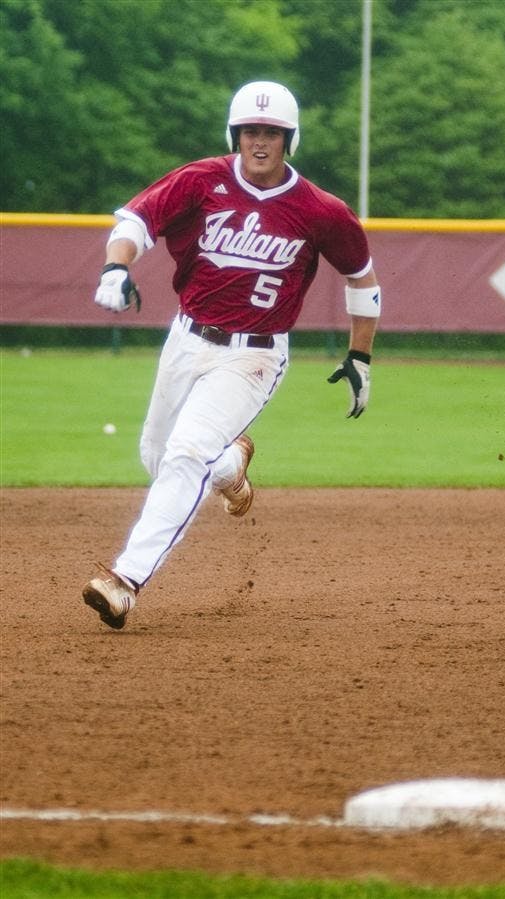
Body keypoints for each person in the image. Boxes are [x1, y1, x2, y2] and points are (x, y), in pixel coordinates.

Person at [82, 80, 381, 630]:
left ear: (290, 139)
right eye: (249, 131)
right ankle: (231, 466)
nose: (259, 141)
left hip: (254, 355)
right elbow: (135, 223)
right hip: (187, 338)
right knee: (158, 458)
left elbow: (362, 280)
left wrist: (359, 357)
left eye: (271, 132)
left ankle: (125, 580)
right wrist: (115, 266)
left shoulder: (320, 210)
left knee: (185, 454)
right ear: (234, 134)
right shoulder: (201, 180)